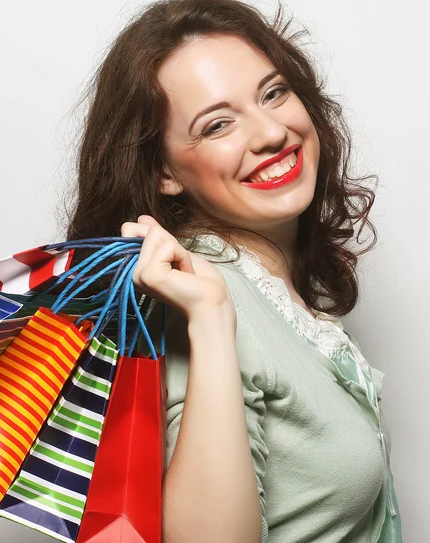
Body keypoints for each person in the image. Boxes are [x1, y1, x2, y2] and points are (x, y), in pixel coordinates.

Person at [63, 0, 402, 541]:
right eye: (218, 124)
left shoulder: (275, 290)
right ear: (164, 172)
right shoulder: (199, 297)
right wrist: (211, 320)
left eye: (273, 93)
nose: (271, 132)